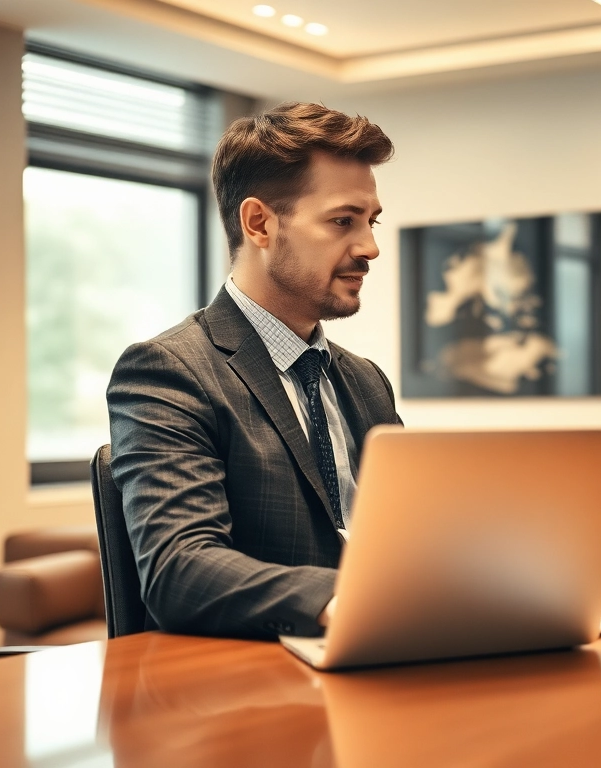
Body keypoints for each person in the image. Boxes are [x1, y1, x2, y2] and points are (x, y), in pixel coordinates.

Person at [106, 102, 401, 639]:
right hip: (250, 683)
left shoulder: (365, 382)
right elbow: (179, 568)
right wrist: (348, 601)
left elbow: (408, 535)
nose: (370, 248)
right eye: (342, 221)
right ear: (259, 223)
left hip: (385, 654)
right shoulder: (169, 371)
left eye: (370, 222)